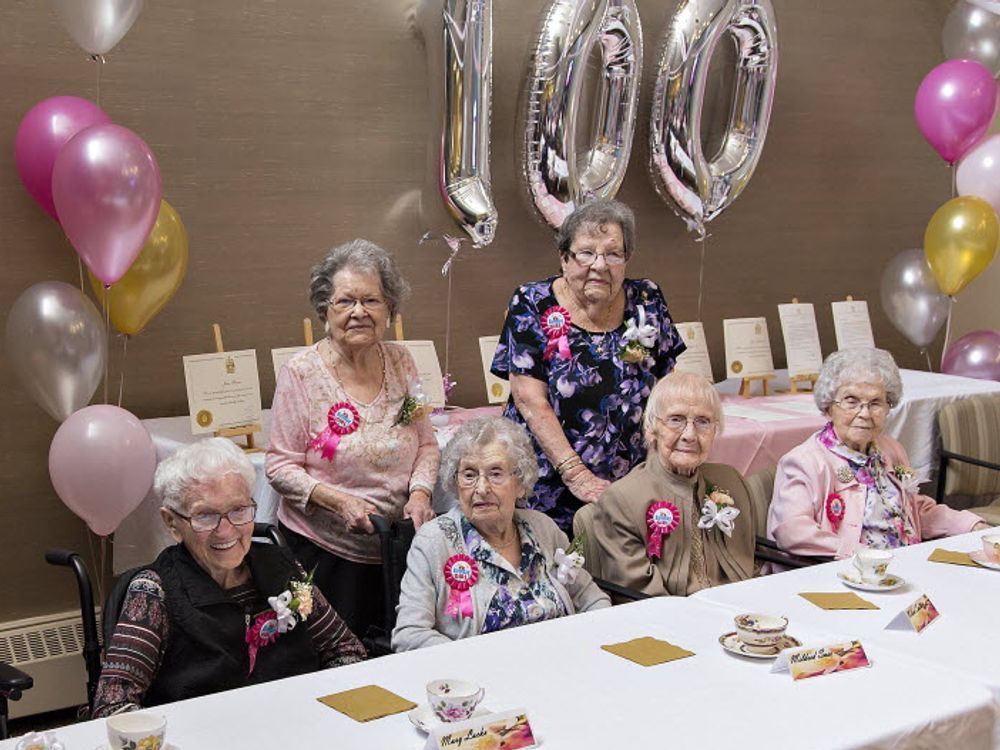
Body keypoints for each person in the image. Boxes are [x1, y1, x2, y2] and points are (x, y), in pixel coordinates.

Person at [92, 439, 365, 717]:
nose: (226, 531)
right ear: (172, 523)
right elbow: (112, 707)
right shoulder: (154, 593)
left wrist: (326, 713)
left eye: (238, 510)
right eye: (205, 516)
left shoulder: (283, 567)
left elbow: (345, 649)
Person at [266, 239, 439, 640]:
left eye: (372, 301)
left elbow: (426, 444)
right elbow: (278, 466)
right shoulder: (301, 372)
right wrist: (340, 501)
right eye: (345, 301)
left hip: (398, 550)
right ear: (325, 310)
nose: (359, 312)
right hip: (326, 555)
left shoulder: (401, 362)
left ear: (389, 309)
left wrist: (420, 495)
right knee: (339, 661)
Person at [490, 199, 686, 532]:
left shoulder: (647, 300)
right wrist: (576, 475)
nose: (600, 265)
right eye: (586, 253)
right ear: (564, 257)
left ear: (627, 259)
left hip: (630, 481)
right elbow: (529, 399)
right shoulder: (533, 302)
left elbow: (668, 388)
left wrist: (662, 465)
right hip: (548, 484)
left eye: (613, 254)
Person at [392, 417, 610, 651]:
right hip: (482, 677)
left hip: (564, 660)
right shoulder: (434, 542)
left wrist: (592, 645)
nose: (481, 488)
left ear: (520, 483)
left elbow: (593, 600)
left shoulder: (543, 528)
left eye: (495, 474)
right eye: (469, 475)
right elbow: (409, 634)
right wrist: (472, 661)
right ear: (455, 483)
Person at [768, 348, 988, 558]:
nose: (864, 413)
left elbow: (911, 510)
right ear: (827, 407)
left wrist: (970, 525)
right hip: (842, 573)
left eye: (875, 403)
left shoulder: (890, 450)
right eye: (851, 401)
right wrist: (860, 553)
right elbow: (792, 531)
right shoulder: (804, 461)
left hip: (902, 566)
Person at [590, 372, 755, 596]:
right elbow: (642, 596)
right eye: (676, 419)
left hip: (740, 612)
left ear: (716, 430)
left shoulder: (731, 482)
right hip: (674, 621)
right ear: (651, 428)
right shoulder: (622, 500)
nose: (690, 435)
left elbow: (748, 569)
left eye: (703, 421)